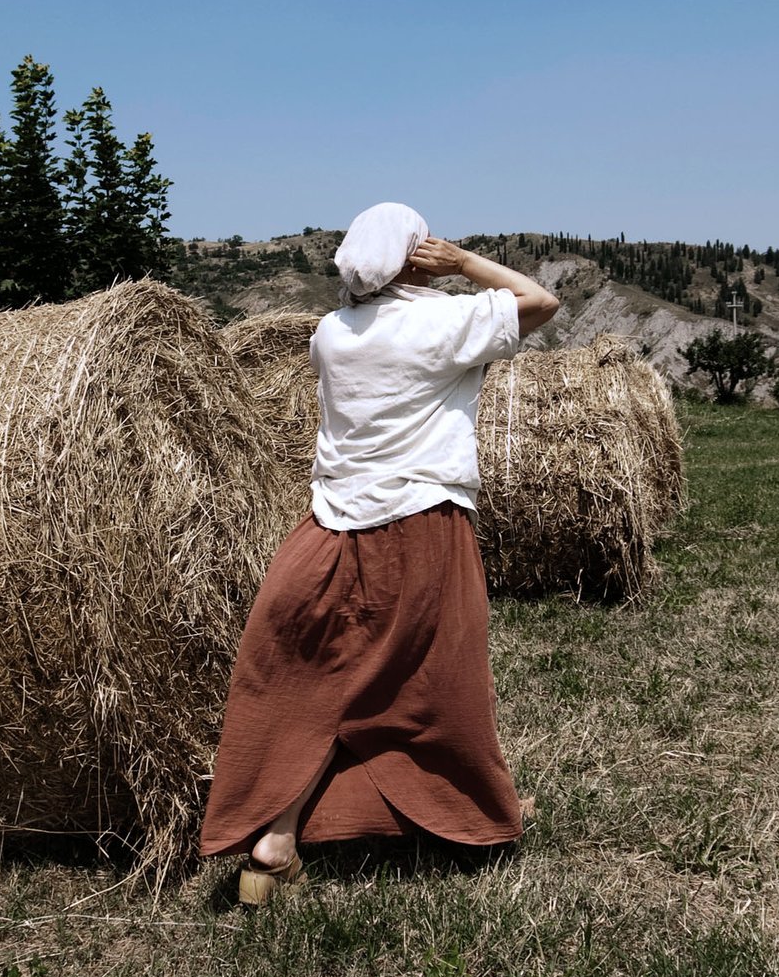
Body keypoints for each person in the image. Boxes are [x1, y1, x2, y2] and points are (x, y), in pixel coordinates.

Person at [198, 202, 562, 903]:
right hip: (422, 527)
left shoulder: (331, 334)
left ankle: (276, 838)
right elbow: (540, 300)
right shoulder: (440, 324)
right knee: (437, 684)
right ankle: (478, 813)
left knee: (316, 681)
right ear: (414, 253)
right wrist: (459, 264)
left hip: (329, 529)